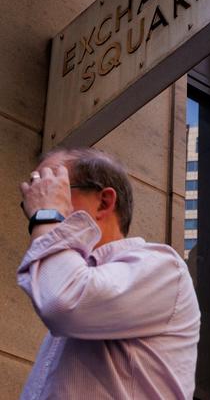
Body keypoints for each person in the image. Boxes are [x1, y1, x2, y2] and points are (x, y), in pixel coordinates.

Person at [17, 147, 200, 399]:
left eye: (51, 188)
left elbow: (63, 302)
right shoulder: (75, 279)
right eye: (34, 196)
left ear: (104, 202)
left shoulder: (164, 269)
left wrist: (46, 215)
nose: (35, 203)